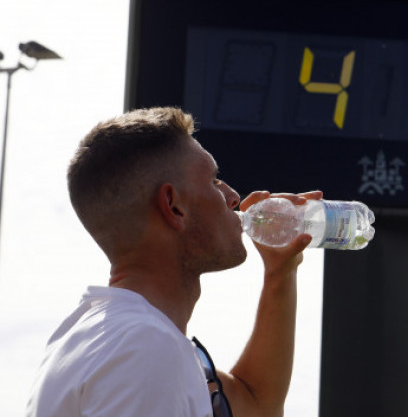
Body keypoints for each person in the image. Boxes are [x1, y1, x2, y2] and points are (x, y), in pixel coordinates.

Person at [26, 107, 321, 417]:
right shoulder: (146, 347)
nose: (233, 196)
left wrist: (280, 273)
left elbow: (258, 404)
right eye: (213, 180)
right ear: (173, 205)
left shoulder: (95, 336)